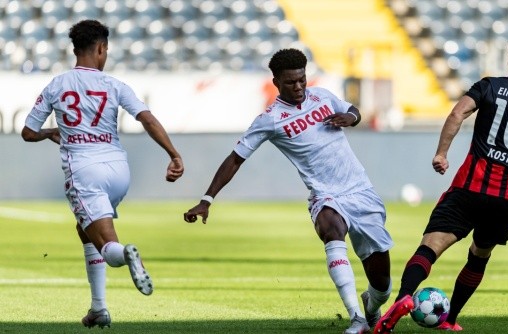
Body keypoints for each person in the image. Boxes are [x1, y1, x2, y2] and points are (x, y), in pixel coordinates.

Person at [184, 48, 393, 334]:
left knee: (382, 284)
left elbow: (352, 110)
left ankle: (371, 304)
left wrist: (351, 119)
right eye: (290, 82)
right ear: (276, 83)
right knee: (331, 228)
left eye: (302, 80)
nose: (298, 87)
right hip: (325, 195)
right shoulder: (270, 119)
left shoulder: (323, 96)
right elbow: (235, 158)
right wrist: (206, 200)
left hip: (360, 190)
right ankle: (356, 318)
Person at [374, 34, 508, 333]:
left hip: (469, 188)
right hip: (507, 200)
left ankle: (403, 299)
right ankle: (450, 320)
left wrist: (441, 153)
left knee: (431, 247)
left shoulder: (490, 85)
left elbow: (457, 113)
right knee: (479, 254)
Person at [21, 20, 184, 329]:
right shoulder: (115, 85)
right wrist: (173, 154)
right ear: (100, 48)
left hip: (84, 172)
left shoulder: (57, 85)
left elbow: (28, 132)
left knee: (108, 248)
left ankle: (126, 253)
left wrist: (50, 132)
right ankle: (99, 307)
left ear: (75, 49)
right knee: (85, 230)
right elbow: (147, 118)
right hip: (119, 170)